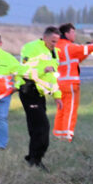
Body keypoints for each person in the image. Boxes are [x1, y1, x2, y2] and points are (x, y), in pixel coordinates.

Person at [53, 23, 93, 142]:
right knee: (70, 110)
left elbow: (77, 58)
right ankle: (67, 135)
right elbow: (86, 49)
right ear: (66, 34)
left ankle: (58, 134)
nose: (74, 34)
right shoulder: (69, 47)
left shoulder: (57, 47)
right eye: (73, 32)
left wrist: (86, 51)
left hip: (59, 84)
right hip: (70, 83)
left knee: (61, 109)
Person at [17, 26, 63, 170]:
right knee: (42, 127)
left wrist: (57, 96)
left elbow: (52, 77)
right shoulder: (31, 48)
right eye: (52, 41)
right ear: (44, 37)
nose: (54, 44)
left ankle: (33, 158)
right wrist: (43, 70)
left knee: (36, 128)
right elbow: (23, 71)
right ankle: (35, 160)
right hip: (29, 90)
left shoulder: (54, 52)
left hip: (40, 93)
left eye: (57, 42)